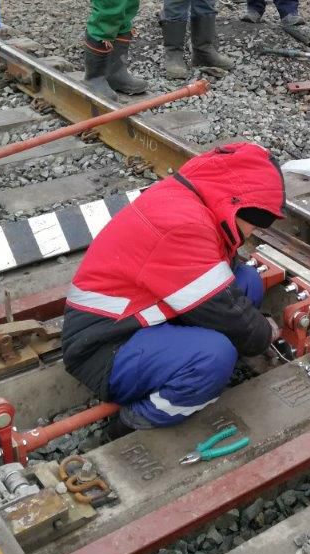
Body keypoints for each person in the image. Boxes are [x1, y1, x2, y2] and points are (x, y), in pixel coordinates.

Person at [62, 142, 285, 432]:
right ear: (236, 205)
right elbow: (222, 308)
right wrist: (264, 333)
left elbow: (225, 287)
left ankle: (195, 369)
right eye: (255, 225)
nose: (253, 232)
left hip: (138, 315)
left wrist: (252, 333)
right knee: (214, 356)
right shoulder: (182, 226)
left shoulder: (190, 200)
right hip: (103, 345)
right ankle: (132, 423)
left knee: (247, 281)